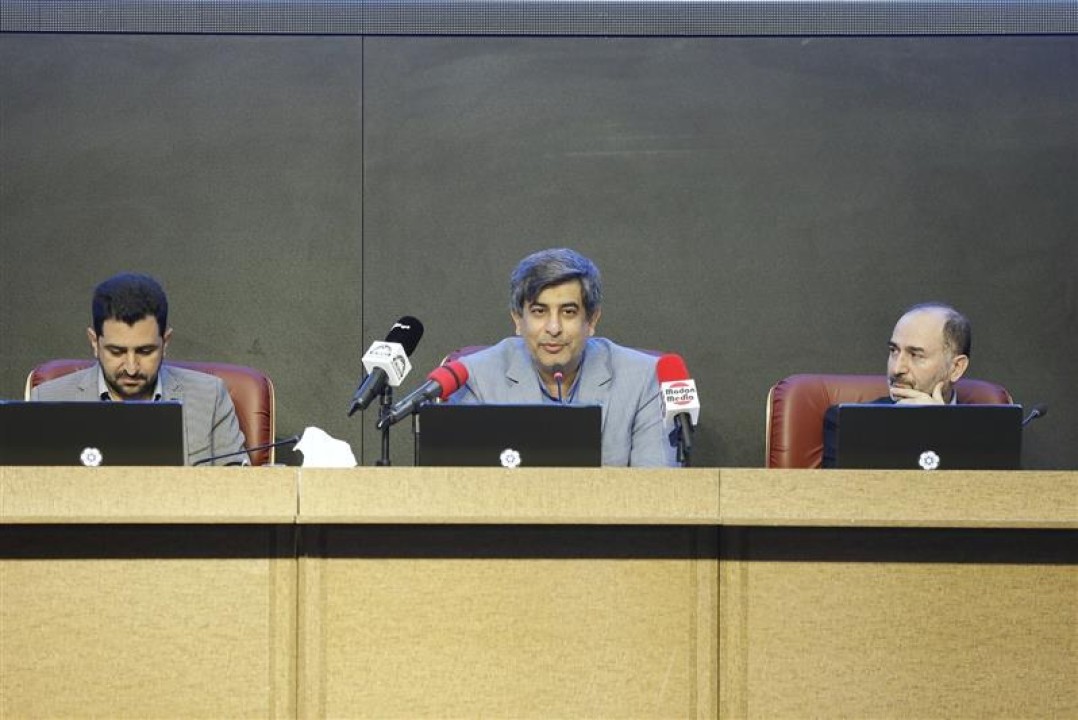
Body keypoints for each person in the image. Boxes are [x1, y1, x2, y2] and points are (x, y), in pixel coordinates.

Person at [445, 248, 677, 467]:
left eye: (568, 312)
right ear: (518, 320)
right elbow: (462, 482)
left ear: (591, 320)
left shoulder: (644, 379)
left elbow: (656, 484)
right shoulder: (475, 378)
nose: (554, 328)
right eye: (539, 311)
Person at [29, 272, 247, 466]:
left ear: (165, 342)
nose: (131, 368)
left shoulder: (210, 397)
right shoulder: (47, 400)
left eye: (145, 351)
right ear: (94, 342)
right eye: (116, 352)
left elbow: (238, 487)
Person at [822, 302, 971, 466]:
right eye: (894, 351)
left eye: (915, 355)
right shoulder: (848, 424)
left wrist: (941, 429)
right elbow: (842, 484)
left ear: (956, 368)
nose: (897, 369)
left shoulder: (984, 432)